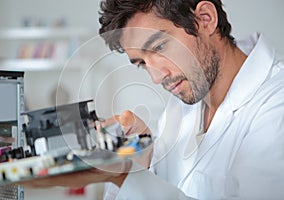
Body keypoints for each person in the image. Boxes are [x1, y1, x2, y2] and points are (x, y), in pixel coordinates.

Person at [22, 0, 284, 199]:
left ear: (205, 19)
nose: (157, 77)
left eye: (159, 47)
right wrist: (141, 161)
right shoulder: (183, 100)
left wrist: (127, 175)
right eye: (141, 63)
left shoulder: (276, 105)